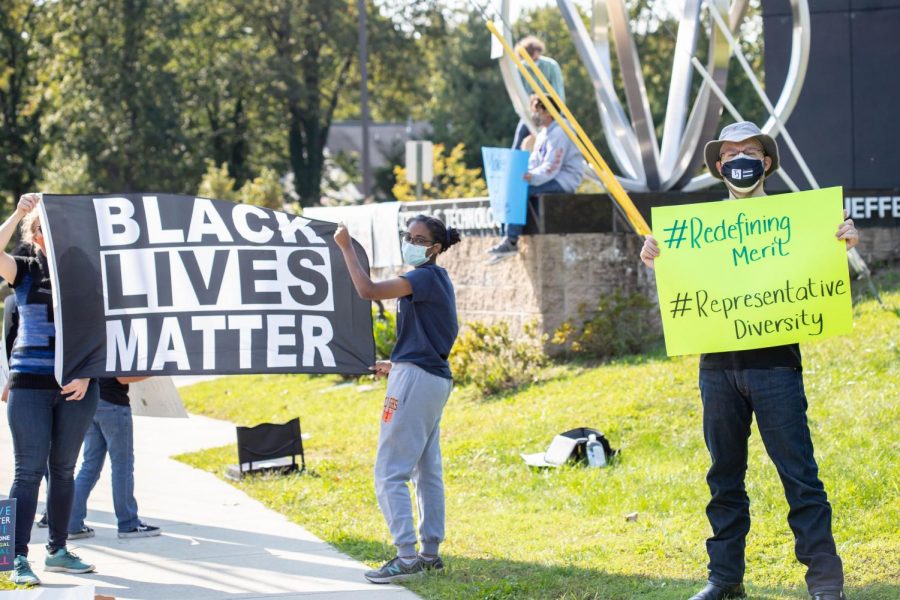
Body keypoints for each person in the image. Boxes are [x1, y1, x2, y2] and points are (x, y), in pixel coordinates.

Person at [639, 122, 857, 600]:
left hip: (776, 367)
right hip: (716, 371)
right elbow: (681, 283)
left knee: (800, 477)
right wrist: (655, 254)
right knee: (723, 478)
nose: (739, 159)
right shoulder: (694, 230)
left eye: (750, 151)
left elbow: (828, 279)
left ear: (767, 163)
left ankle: (825, 583)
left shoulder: (803, 220)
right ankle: (724, 580)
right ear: (718, 167)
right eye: (730, 152)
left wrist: (841, 241)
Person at [333, 215, 460, 584]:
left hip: (416, 380)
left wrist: (345, 247)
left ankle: (406, 557)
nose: (411, 242)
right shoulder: (437, 279)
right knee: (426, 471)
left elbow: (368, 290)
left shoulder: (421, 277)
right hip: (431, 377)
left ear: (435, 248)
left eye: (419, 238)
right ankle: (429, 553)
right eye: (408, 235)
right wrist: (397, 361)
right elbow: (435, 331)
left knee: (389, 472)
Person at [1, 193, 98, 586]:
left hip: (76, 388)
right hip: (28, 387)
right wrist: (20, 212)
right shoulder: (23, 270)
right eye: (43, 229)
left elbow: (103, 331)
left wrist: (87, 375)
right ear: (36, 236)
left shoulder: (86, 274)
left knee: (63, 470)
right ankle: (13, 557)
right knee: (28, 472)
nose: (51, 235)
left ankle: (57, 551)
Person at [490, 95, 585, 256]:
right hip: (550, 176)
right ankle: (504, 237)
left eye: (537, 111)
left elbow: (552, 166)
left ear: (548, 112)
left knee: (521, 191)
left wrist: (531, 177)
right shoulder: (544, 133)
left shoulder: (561, 132)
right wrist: (524, 173)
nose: (534, 115)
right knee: (512, 187)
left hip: (563, 180)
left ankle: (511, 240)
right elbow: (536, 161)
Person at [68, 377, 161, 540]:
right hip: (113, 404)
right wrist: (153, 370)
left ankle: (71, 524)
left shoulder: (93, 349)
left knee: (89, 466)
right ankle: (128, 524)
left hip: (91, 402)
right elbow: (122, 377)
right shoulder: (114, 349)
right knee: (122, 466)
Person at [511, 36, 565, 151]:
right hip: (532, 113)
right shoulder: (520, 69)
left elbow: (558, 93)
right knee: (518, 142)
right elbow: (519, 97)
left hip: (552, 112)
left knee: (562, 140)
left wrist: (554, 114)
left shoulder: (551, 65)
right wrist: (528, 114)